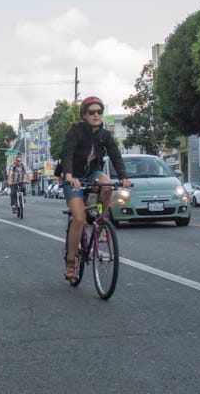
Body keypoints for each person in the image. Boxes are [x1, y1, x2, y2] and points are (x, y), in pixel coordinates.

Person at [60, 96, 130, 282]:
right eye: (92, 112)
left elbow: (115, 156)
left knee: (107, 185)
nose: (97, 115)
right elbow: (67, 153)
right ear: (84, 115)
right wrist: (68, 175)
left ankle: (101, 221)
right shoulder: (75, 132)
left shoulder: (105, 135)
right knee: (79, 217)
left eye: (99, 111)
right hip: (73, 176)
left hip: (92, 173)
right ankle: (70, 264)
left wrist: (123, 177)